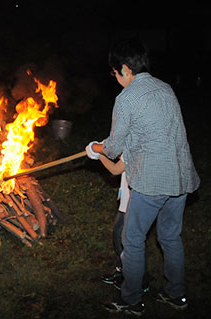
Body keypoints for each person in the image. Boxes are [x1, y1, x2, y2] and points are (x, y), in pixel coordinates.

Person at [87, 39, 200, 316]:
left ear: (124, 68)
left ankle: (131, 300)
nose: (114, 77)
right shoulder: (165, 87)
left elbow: (112, 149)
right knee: (171, 238)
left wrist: (94, 149)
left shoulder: (127, 98)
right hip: (180, 176)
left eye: (114, 72)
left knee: (132, 239)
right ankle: (176, 294)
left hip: (152, 181)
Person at [85, 149, 152, 292]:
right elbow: (121, 155)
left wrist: (99, 154)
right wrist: (104, 148)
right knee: (119, 236)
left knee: (129, 239)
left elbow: (115, 169)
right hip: (127, 193)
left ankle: (141, 279)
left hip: (136, 195)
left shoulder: (137, 141)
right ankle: (122, 270)